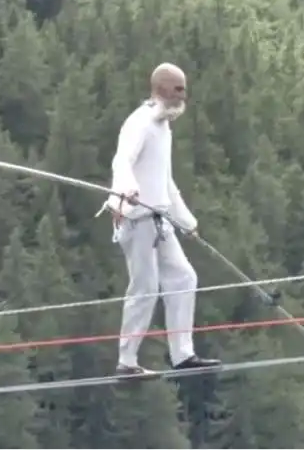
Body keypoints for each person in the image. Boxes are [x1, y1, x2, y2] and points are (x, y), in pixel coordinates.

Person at [98, 62, 222, 376]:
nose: (184, 95)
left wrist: (186, 221)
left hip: (159, 219)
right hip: (136, 220)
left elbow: (165, 182)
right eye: (178, 89)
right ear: (161, 88)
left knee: (184, 278)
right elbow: (121, 160)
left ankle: (182, 355)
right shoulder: (140, 122)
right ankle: (126, 361)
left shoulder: (163, 126)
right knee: (146, 287)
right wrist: (126, 189)